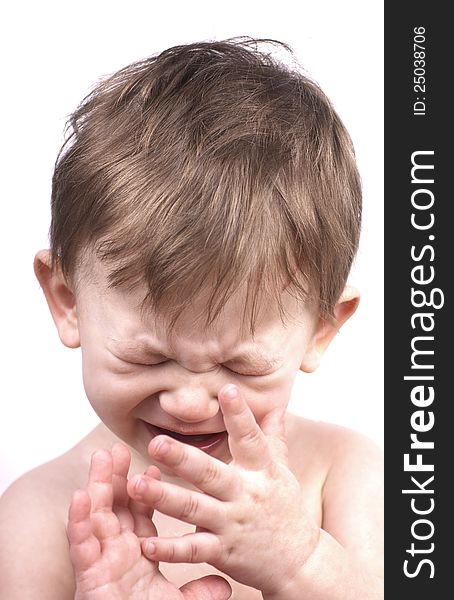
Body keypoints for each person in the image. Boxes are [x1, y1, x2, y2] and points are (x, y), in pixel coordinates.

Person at [0, 37, 383, 599]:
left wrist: (300, 565)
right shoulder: (41, 515)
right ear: (67, 300)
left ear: (321, 330)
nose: (188, 403)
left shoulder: (342, 474)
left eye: (238, 365)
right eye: (147, 356)